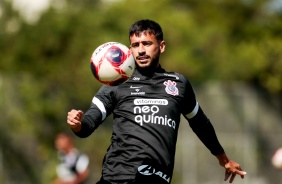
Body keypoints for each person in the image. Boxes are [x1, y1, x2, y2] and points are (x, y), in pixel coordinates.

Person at [67, 19, 247, 184]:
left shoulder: (178, 83)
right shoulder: (117, 83)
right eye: (135, 45)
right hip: (117, 177)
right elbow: (89, 123)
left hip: (157, 178)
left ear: (161, 47)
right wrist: (78, 124)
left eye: (146, 44)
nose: (141, 50)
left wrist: (224, 160)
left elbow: (200, 123)